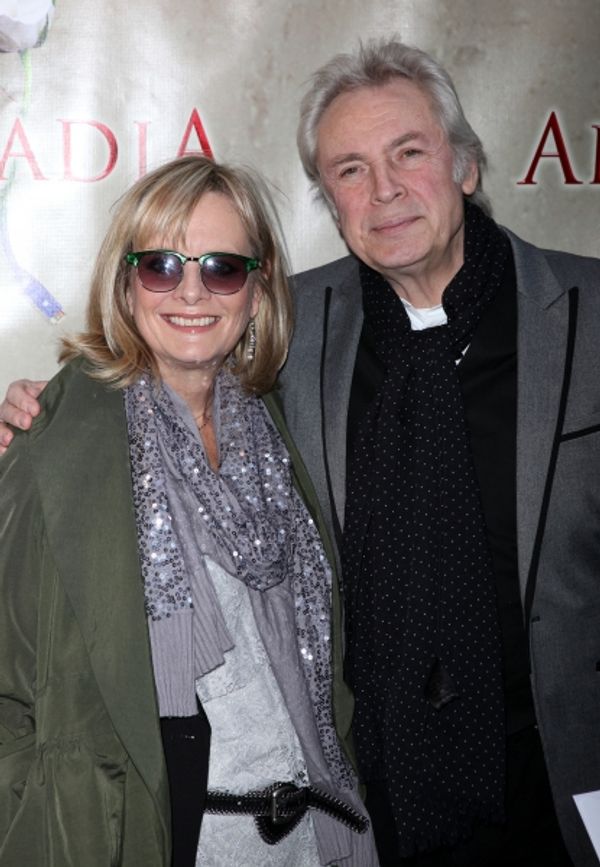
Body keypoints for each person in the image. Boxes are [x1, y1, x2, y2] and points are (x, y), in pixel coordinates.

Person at [3, 39, 600, 867]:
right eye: (349, 170)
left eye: (409, 153)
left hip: (553, 798)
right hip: (365, 805)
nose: (383, 190)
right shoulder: (299, 330)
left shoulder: (589, 313)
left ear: (466, 164)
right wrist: (36, 417)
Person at [0, 155, 377, 867]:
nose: (193, 291)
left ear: (258, 289)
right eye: (161, 266)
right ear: (125, 282)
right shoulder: (58, 436)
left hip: (318, 838)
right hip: (155, 838)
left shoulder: (282, 422)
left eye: (223, 267)